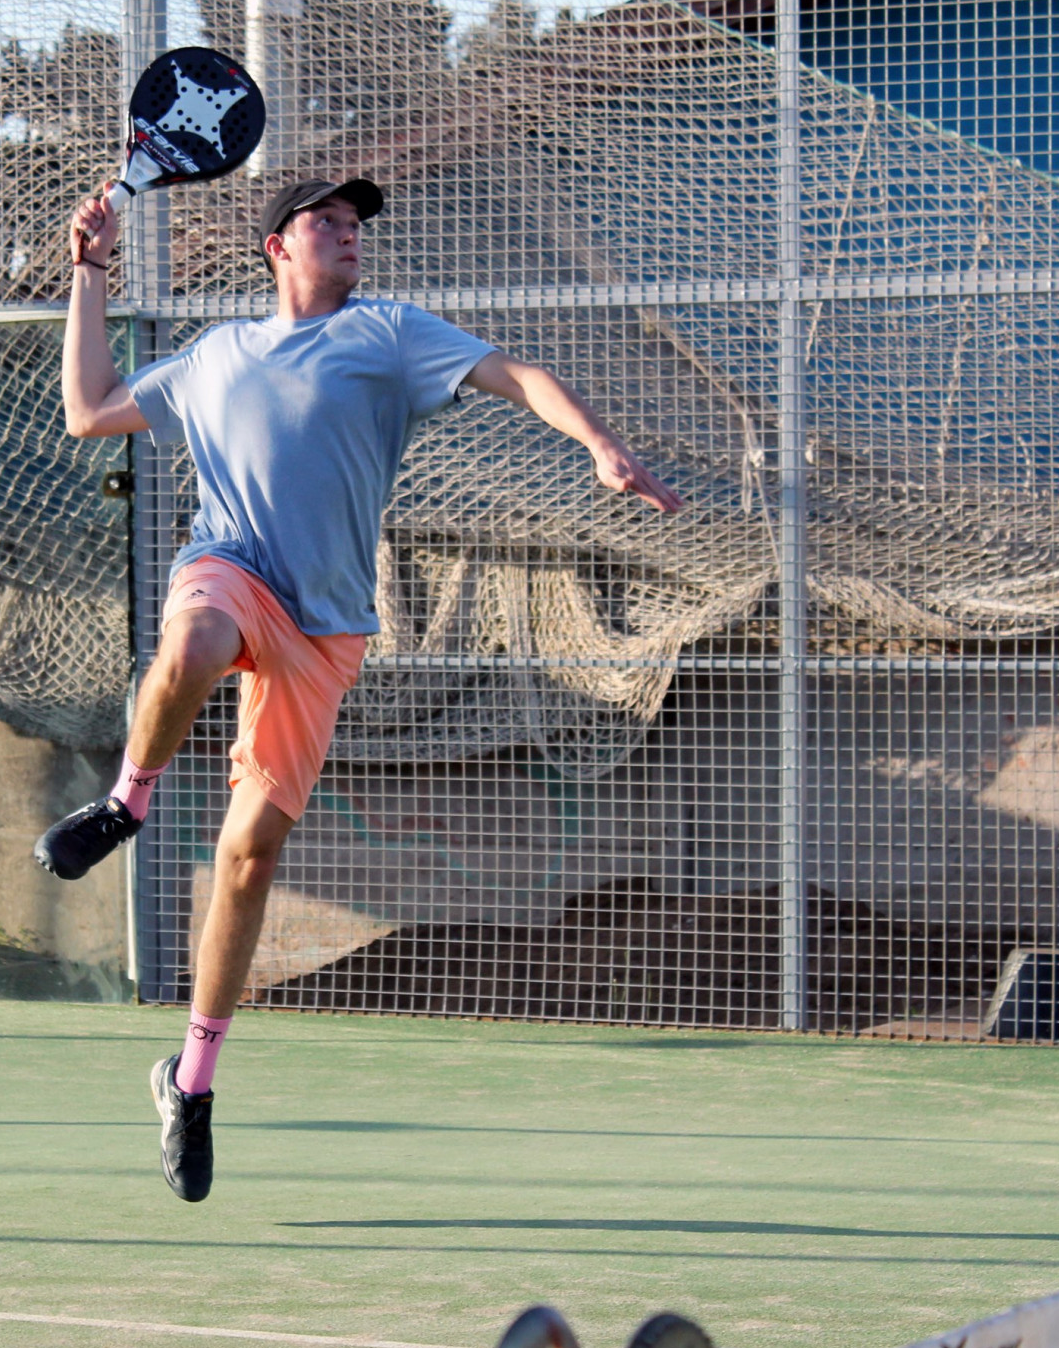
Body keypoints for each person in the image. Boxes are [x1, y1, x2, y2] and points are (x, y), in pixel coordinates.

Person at [35, 177, 684, 1202]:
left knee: (248, 859)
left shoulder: (387, 334)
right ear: (276, 247)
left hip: (326, 631)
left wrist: (598, 444)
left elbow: (516, 374)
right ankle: (126, 802)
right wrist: (90, 269)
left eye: (354, 226)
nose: (348, 235)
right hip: (230, 568)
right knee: (192, 639)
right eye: (325, 223)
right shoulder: (214, 355)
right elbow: (87, 410)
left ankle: (190, 1081)